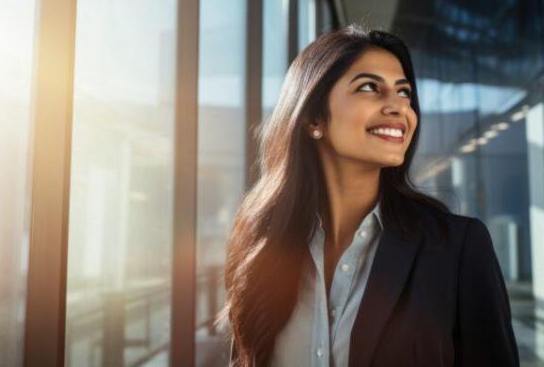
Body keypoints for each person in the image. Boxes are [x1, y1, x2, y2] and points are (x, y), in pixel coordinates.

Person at [220, 23, 519, 367]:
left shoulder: (457, 248)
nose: (399, 107)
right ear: (314, 117)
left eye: (404, 93)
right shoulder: (260, 245)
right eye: (369, 88)